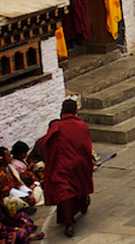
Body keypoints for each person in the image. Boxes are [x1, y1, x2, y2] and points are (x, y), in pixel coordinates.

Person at [41, 100, 95, 237]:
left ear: (62, 110)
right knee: (73, 190)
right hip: (78, 164)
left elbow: (48, 146)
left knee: (65, 192)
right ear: (76, 111)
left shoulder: (56, 126)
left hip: (63, 166)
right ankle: (71, 220)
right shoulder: (82, 126)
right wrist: (89, 163)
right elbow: (86, 147)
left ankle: (69, 221)